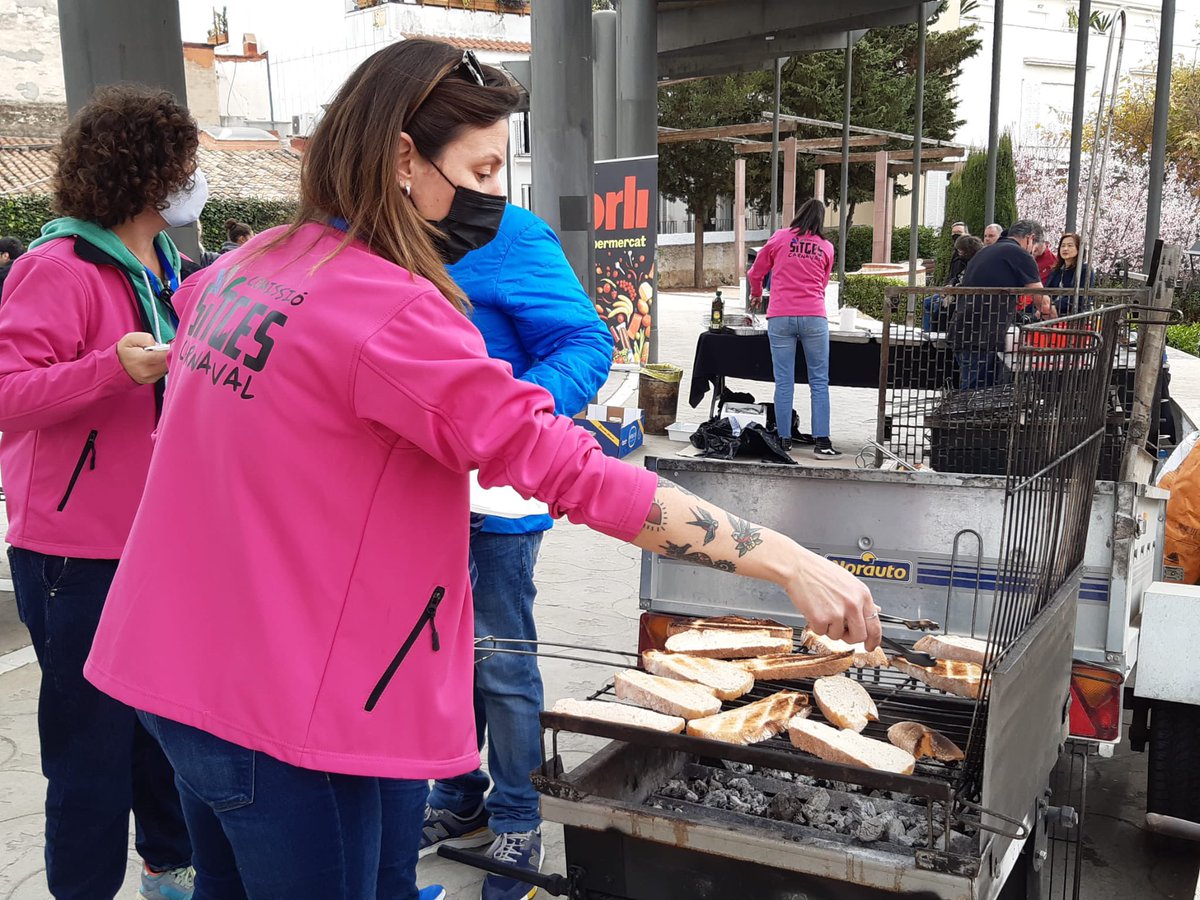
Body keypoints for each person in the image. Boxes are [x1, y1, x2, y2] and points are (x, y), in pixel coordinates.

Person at [82, 41, 880, 900]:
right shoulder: (391, 313)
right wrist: (783, 558)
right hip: (283, 707)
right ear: (399, 159)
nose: (495, 197)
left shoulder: (244, 267)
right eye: (485, 167)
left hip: (175, 669)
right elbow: (570, 469)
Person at [0, 85, 197, 900]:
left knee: (164, 730)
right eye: (185, 163)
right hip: (74, 554)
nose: (194, 178)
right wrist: (109, 370)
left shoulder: (167, 267)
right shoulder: (56, 269)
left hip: (158, 541)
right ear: (152, 174)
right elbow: (8, 395)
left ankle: (172, 870)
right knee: (90, 747)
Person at [414, 202, 613, 899]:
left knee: (499, 656)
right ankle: (460, 795)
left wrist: (510, 417)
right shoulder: (375, 230)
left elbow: (587, 343)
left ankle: (519, 816)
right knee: (436, 655)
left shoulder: (510, 232)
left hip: (497, 497)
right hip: (411, 495)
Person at [747, 198, 841, 458]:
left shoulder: (779, 238)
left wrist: (757, 293)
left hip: (780, 316)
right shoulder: (826, 247)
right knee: (819, 381)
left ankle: (784, 439)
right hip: (813, 316)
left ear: (798, 214)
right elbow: (822, 284)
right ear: (821, 221)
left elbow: (755, 272)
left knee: (784, 380)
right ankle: (822, 442)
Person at [949, 219, 1051, 390]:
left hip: (963, 328)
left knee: (971, 387)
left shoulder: (987, 251)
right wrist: (1052, 317)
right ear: (1029, 238)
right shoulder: (1019, 254)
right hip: (982, 334)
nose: (1032, 253)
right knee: (977, 394)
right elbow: (1042, 300)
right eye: (1033, 248)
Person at [927, 235, 984, 331]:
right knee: (937, 310)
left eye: (960, 250)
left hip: (965, 300)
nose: (959, 253)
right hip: (956, 294)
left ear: (967, 251)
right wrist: (951, 284)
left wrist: (954, 290)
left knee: (942, 313)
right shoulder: (962, 261)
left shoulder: (977, 262)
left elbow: (970, 282)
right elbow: (957, 276)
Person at [1045, 232, 1095, 316]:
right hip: (1050, 311)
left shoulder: (1085, 270)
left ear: (1078, 249)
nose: (1065, 249)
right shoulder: (1056, 270)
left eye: (1070, 245)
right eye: (1063, 245)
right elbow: (1046, 291)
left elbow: (1079, 298)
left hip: (1073, 315)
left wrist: (1052, 306)